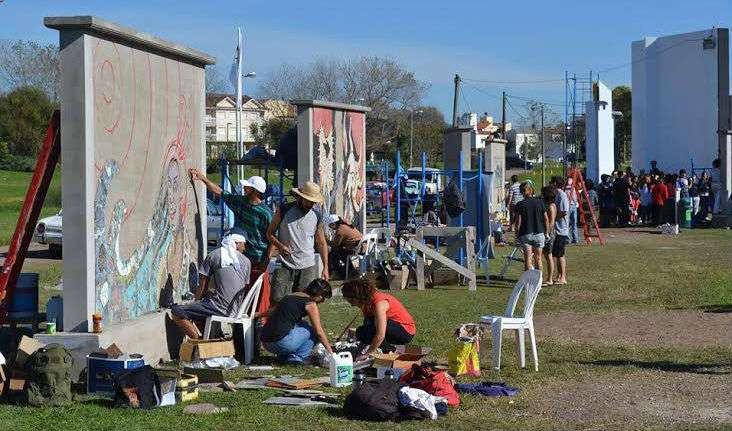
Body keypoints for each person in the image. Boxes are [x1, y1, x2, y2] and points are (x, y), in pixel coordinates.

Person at [190, 169, 272, 273]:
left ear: (255, 191)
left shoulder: (266, 213)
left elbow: (272, 238)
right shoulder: (240, 202)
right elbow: (219, 192)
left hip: (257, 258)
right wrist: (203, 178)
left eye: (247, 187)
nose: (244, 188)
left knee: (254, 286)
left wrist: (267, 261)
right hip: (239, 254)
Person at [171, 232, 251, 338]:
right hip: (237, 310)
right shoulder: (247, 261)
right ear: (236, 243)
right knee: (204, 305)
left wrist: (197, 300)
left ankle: (199, 342)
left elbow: (202, 284)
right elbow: (242, 287)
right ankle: (212, 337)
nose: (244, 248)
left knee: (177, 311)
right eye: (244, 245)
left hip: (219, 309)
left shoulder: (214, 255)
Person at [267, 181, 329, 304]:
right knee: (277, 298)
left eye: (313, 202)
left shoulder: (317, 215)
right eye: (308, 201)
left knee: (304, 301)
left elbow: (321, 243)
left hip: (308, 264)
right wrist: (280, 246)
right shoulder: (284, 210)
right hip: (285, 262)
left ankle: (298, 323)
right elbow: (269, 233)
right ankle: (277, 322)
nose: (310, 204)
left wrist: (326, 267)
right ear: (300, 197)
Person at [260, 279, 333, 364]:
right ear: (319, 295)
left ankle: (283, 356)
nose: (323, 301)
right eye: (323, 298)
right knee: (313, 331)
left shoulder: (290, 296)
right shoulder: (310, 304)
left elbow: (272, 311)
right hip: (281, 344)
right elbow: (319, 332)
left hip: (266, 343)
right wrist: (331, 352)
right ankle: (296, 358)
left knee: (302, 324)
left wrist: (257, 314)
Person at [341, 277, 416, 358]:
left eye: (352, 301)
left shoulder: (379, 303)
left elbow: (380, 334)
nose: (352, 305)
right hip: (391, 328)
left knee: (373, 330)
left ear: (358, 296)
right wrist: (361, 347)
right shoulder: (366, 303)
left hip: (405, 331)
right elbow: (368, 327)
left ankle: (390, 350)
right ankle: (385, 349)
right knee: (361, 332)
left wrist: (367, 354)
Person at [514, 182, 548, 272]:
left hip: (526, 233)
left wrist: (516, 235)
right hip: (539, 233)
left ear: (521, 192)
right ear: (531, 190)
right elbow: (546, 219)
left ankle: (528, 283)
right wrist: (547, 232)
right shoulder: (540, 202)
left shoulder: (520, 204)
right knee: (538, 259)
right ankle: (538, 283)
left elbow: (518, 222)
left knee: (528, 260)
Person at [551, 176, 570, 285]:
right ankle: (558, 275)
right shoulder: (556, 195)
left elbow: (563, 211)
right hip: (556, 230)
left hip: (561, 229)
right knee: (556, 254)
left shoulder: (562, 195)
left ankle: (563, 277)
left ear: (555, 183)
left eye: (551, 182)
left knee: (560, 254)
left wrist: (553, 219)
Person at [541, 186, 557, 285]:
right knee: (546, 256)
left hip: (549, 233)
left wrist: (547, 233)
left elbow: (551, 222)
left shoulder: (551, 206)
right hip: (547, 232)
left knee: (548, 256)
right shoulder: (549, 205)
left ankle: (550, 278)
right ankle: (547, 277)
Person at [565, 177, 579, 243]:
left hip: (568, 206)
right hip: (573, 205)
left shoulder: (565, 189)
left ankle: (568, 238)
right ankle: (575, 238)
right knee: (574, 223)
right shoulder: (572, 188)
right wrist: (576, 202)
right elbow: (574, 197)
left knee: (567, 223)